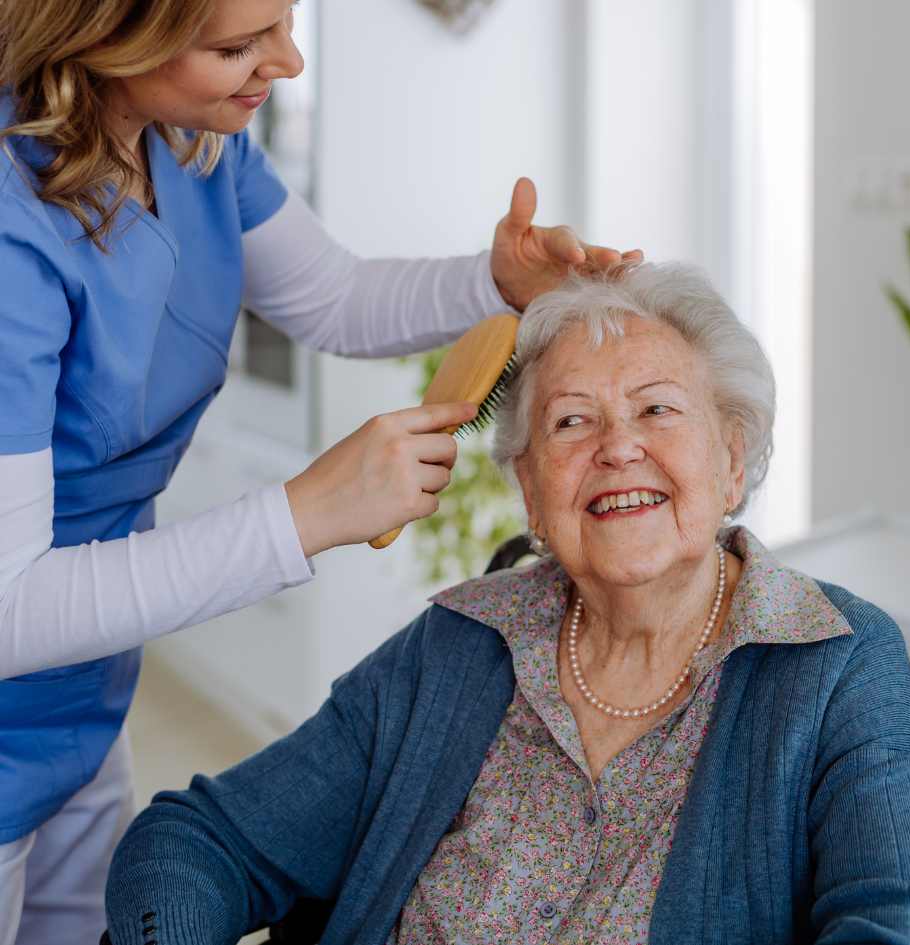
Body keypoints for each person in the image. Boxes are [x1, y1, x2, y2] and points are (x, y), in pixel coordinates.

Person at [0, 0, 640, 941]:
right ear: (105, 34)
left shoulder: (187, 144)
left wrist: (496, 283)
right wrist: (301, 515)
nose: (288, 62)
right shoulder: (14, 226)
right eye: (237, 46)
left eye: (284, 20)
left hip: (81, 694)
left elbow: (335, 298)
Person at [103, 261, 910, 945]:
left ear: (732, 459)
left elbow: (892, 922)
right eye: (572, 422)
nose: (619, 446)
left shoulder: (834, 659)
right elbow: (200, 839)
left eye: (656, 408)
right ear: (531, 494)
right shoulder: (457, 644)